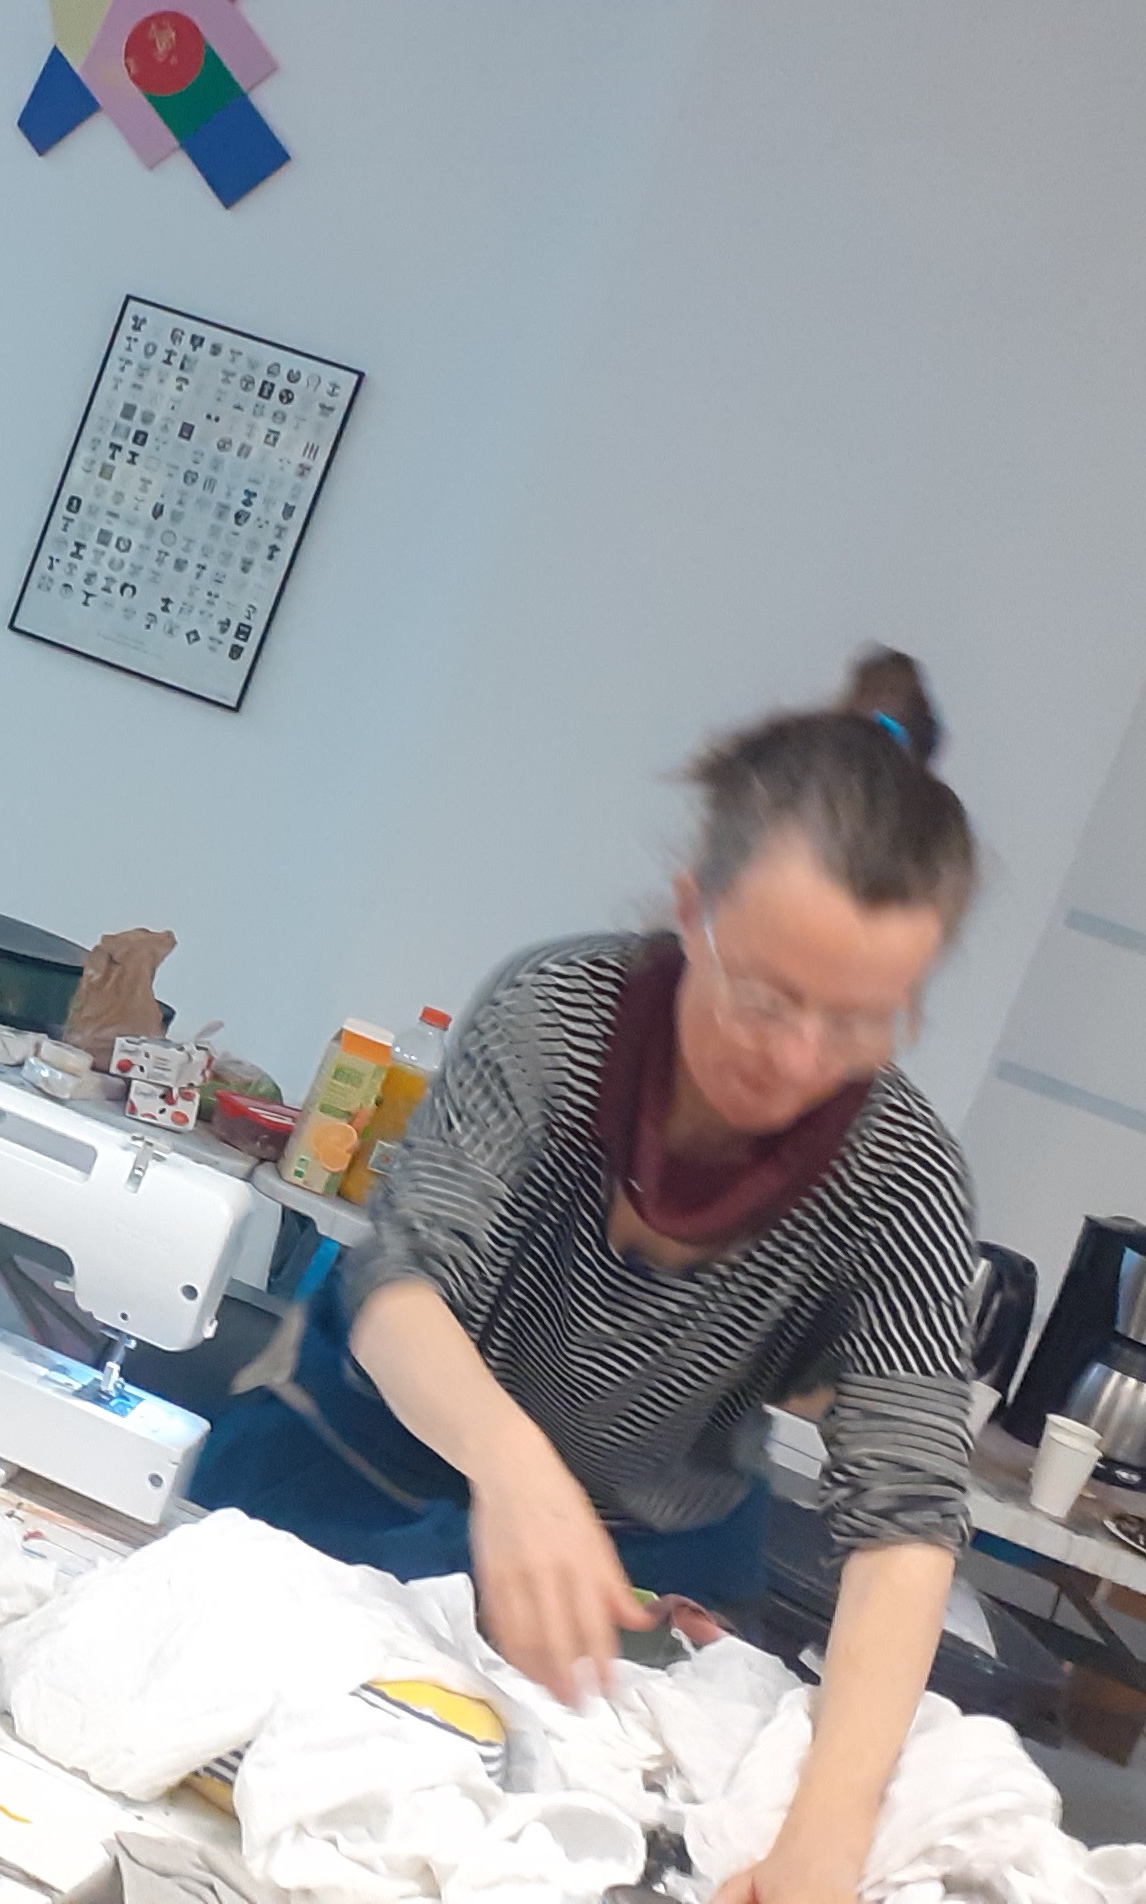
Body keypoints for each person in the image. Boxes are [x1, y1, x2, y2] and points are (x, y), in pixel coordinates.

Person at [191, 651, 981, 1904]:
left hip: (635, 1579)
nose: (796, 1058)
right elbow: (402, 1281)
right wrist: (516, 1469)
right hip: (352, 1482)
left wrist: (824, 1837)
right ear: (691, 907)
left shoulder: (904, 1178)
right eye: (765, 995)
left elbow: (906, 1521)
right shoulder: (561, 1014)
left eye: (857, 1021)